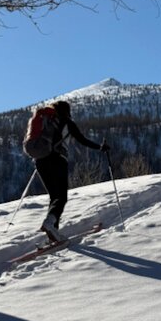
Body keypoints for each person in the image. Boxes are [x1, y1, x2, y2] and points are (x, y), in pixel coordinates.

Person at [30, 100, 109, 243]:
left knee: (54, 197)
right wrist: (100, 147)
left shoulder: (46, 121)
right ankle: (50, 225)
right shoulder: (67, 122)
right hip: (58, 159)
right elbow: (83, 140)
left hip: (40, 160)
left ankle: (53, 232)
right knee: (61, 197)